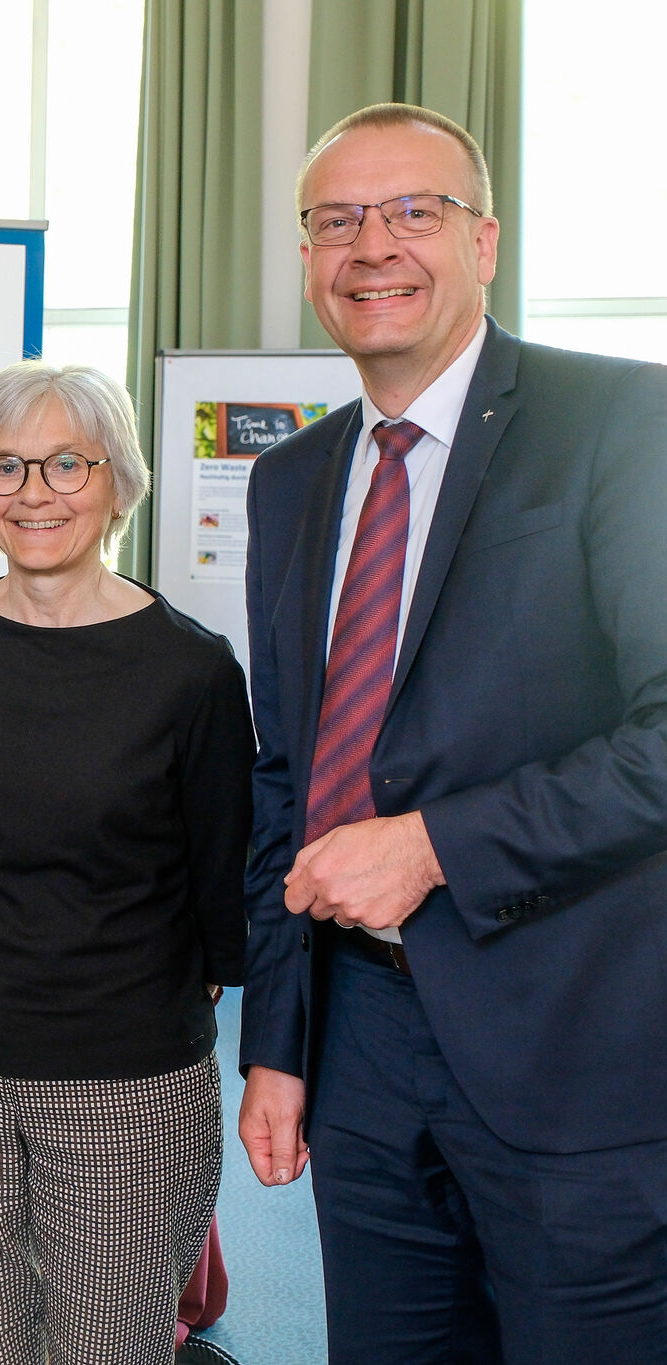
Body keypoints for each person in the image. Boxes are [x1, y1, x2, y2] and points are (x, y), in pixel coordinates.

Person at [238, 102, 667, 1362]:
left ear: (484, 240)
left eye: (410, 211)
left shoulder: (622, 426)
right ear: (307, 258)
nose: (371, 246)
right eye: (335, 221)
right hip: (359, 1047)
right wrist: (276, 1046)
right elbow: (283, 775)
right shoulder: (293, 477)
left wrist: (436, 844)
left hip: (572, 1048)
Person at [0, 361, 253, 1364]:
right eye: (4, 466)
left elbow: (222, 898)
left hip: (122, 1079)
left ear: (116, 481)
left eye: (64, 464)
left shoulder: (193, 670)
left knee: (105, 1347)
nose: (33, 492)